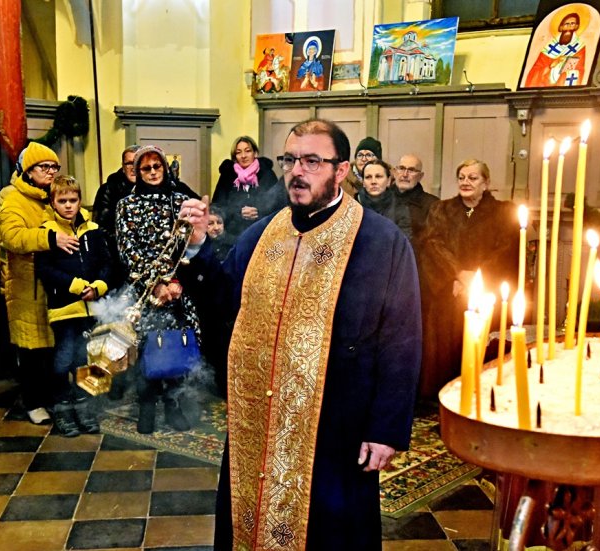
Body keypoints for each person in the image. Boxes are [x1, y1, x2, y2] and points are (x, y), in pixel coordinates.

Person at [178, 119, 422, 550]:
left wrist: (386, 428)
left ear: (342, 170)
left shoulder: (381, 241)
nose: (296, 171)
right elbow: (222, 307)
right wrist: (198, 248)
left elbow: (402, 338)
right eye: (291, 160)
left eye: (312, 161)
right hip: (261, 423)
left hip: (335, 424)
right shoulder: (261, 235)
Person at [417, 159, 518, 402]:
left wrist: (477, 277)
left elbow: (505, 249)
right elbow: (433, 243)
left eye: (473, 178)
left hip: (488, 291)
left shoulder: (503, 212)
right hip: (448, 289)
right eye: (462, 177)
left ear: (486, 183)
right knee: (445, 346)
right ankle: (444, 398)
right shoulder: (441, 209)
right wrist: (458, 274)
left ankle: (477, 395)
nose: (466, 182)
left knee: (479, 346)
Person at [0, 142, 79, 425]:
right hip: (27, 286)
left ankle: (56, 398)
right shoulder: (13, 196)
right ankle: (32, 402)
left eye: (55, 167)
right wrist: (50, 239)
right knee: (32, 351)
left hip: (55, 284)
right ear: (28, 170)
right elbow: (11, 236)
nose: (51, 172)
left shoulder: (52, 195)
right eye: (44, 167)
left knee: (57, 349)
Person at [116, 145, 200, 434]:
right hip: (144, 292)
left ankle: (174, 405)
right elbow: (129, 251)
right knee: (148, 352)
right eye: (145, 168)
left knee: (176, 348)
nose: (152, 173)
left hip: (177, 289)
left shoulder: (181, 201)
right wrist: (156, 285)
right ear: (137, 172)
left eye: (157, 167)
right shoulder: (126, 205)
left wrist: (174, 283)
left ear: (165, 168)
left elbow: (190, 246)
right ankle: (147, 407)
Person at [36, 176, 111, 437]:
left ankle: (84, 407)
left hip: (92, 307)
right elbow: (45, 270)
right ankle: (62, 409)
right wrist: (77, 286)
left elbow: (106, 263)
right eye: (62, 201)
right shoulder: (48, 232)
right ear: (53, 202)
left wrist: (99, 285)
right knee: (63, 360)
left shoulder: (92, 229)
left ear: (80, 201)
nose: (69, 206)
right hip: (65, 307)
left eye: (73, 200)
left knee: (86, 360)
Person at [210, 135, 285, 238]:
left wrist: (259, 211)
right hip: (232, 236)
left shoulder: (267, 174)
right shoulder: (227, 175)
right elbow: (217, 207)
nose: (243, 156)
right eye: (238, 152)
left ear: (255, 153)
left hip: (262, 233)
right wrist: (238, 212)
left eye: (247, 151)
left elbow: (278, 205)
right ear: (234, 156)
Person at [92, 145, 141, 287]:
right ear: (123, 166)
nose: (133, 167)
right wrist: (127, 244)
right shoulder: (109, 189)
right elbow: (99, 227)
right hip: (116, 260)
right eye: (129, 163)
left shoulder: (154, 190)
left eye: (137, 162)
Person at [524, 12, 586, 88]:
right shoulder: (549, 48)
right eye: (566, 24)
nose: (569, 26)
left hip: (563, 85)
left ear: (576, 26)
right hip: (545, 86)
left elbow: (579, 69)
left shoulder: (579, 47)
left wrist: (564, 69)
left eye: (572, 23)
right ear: (561, 27)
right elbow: (534, 72)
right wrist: (551, 66)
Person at [356, 159, 412, 237]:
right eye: (368, 177)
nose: (373, 181)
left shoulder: (400, 208)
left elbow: (403, 243)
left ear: (388, 181)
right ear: (363, 182)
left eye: (378, 176)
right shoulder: (352, 206)